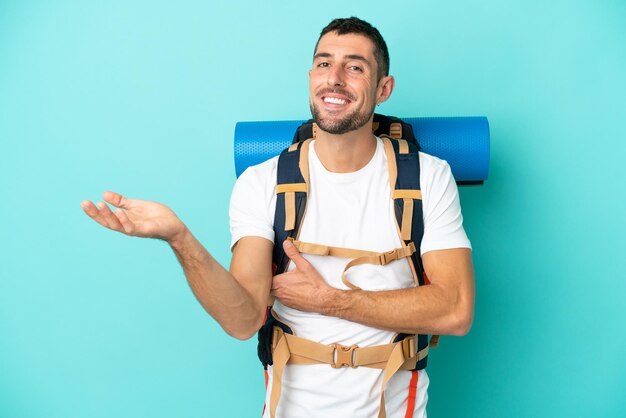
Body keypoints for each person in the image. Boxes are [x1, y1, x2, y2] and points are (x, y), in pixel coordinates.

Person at [81, 17, 474, 418]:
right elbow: (242, 319)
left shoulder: (427, 175)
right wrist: (180, 238)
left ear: (383, 88)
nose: (334, 78)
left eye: (355, 67)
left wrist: (330, 302)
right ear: (310, 77)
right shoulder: (261, 182)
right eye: (324, 64)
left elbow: (456, 310)